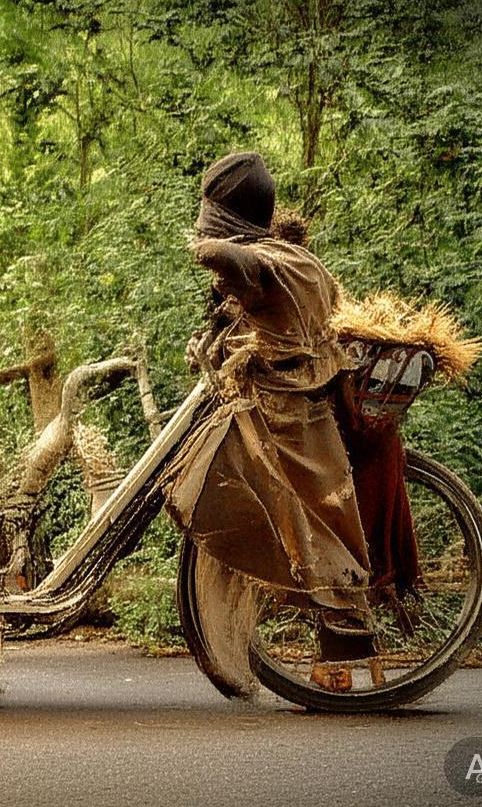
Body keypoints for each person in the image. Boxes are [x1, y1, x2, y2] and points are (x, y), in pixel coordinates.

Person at [161, 151, 375, 697]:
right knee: (297, 523)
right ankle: (337, 657)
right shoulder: (287, 260)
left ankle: (343, 660)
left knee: (306, 528)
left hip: (288, 419)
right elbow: (254, 313)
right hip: (280, 410)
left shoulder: (275, 262)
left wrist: (206, 246)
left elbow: (235, 264)